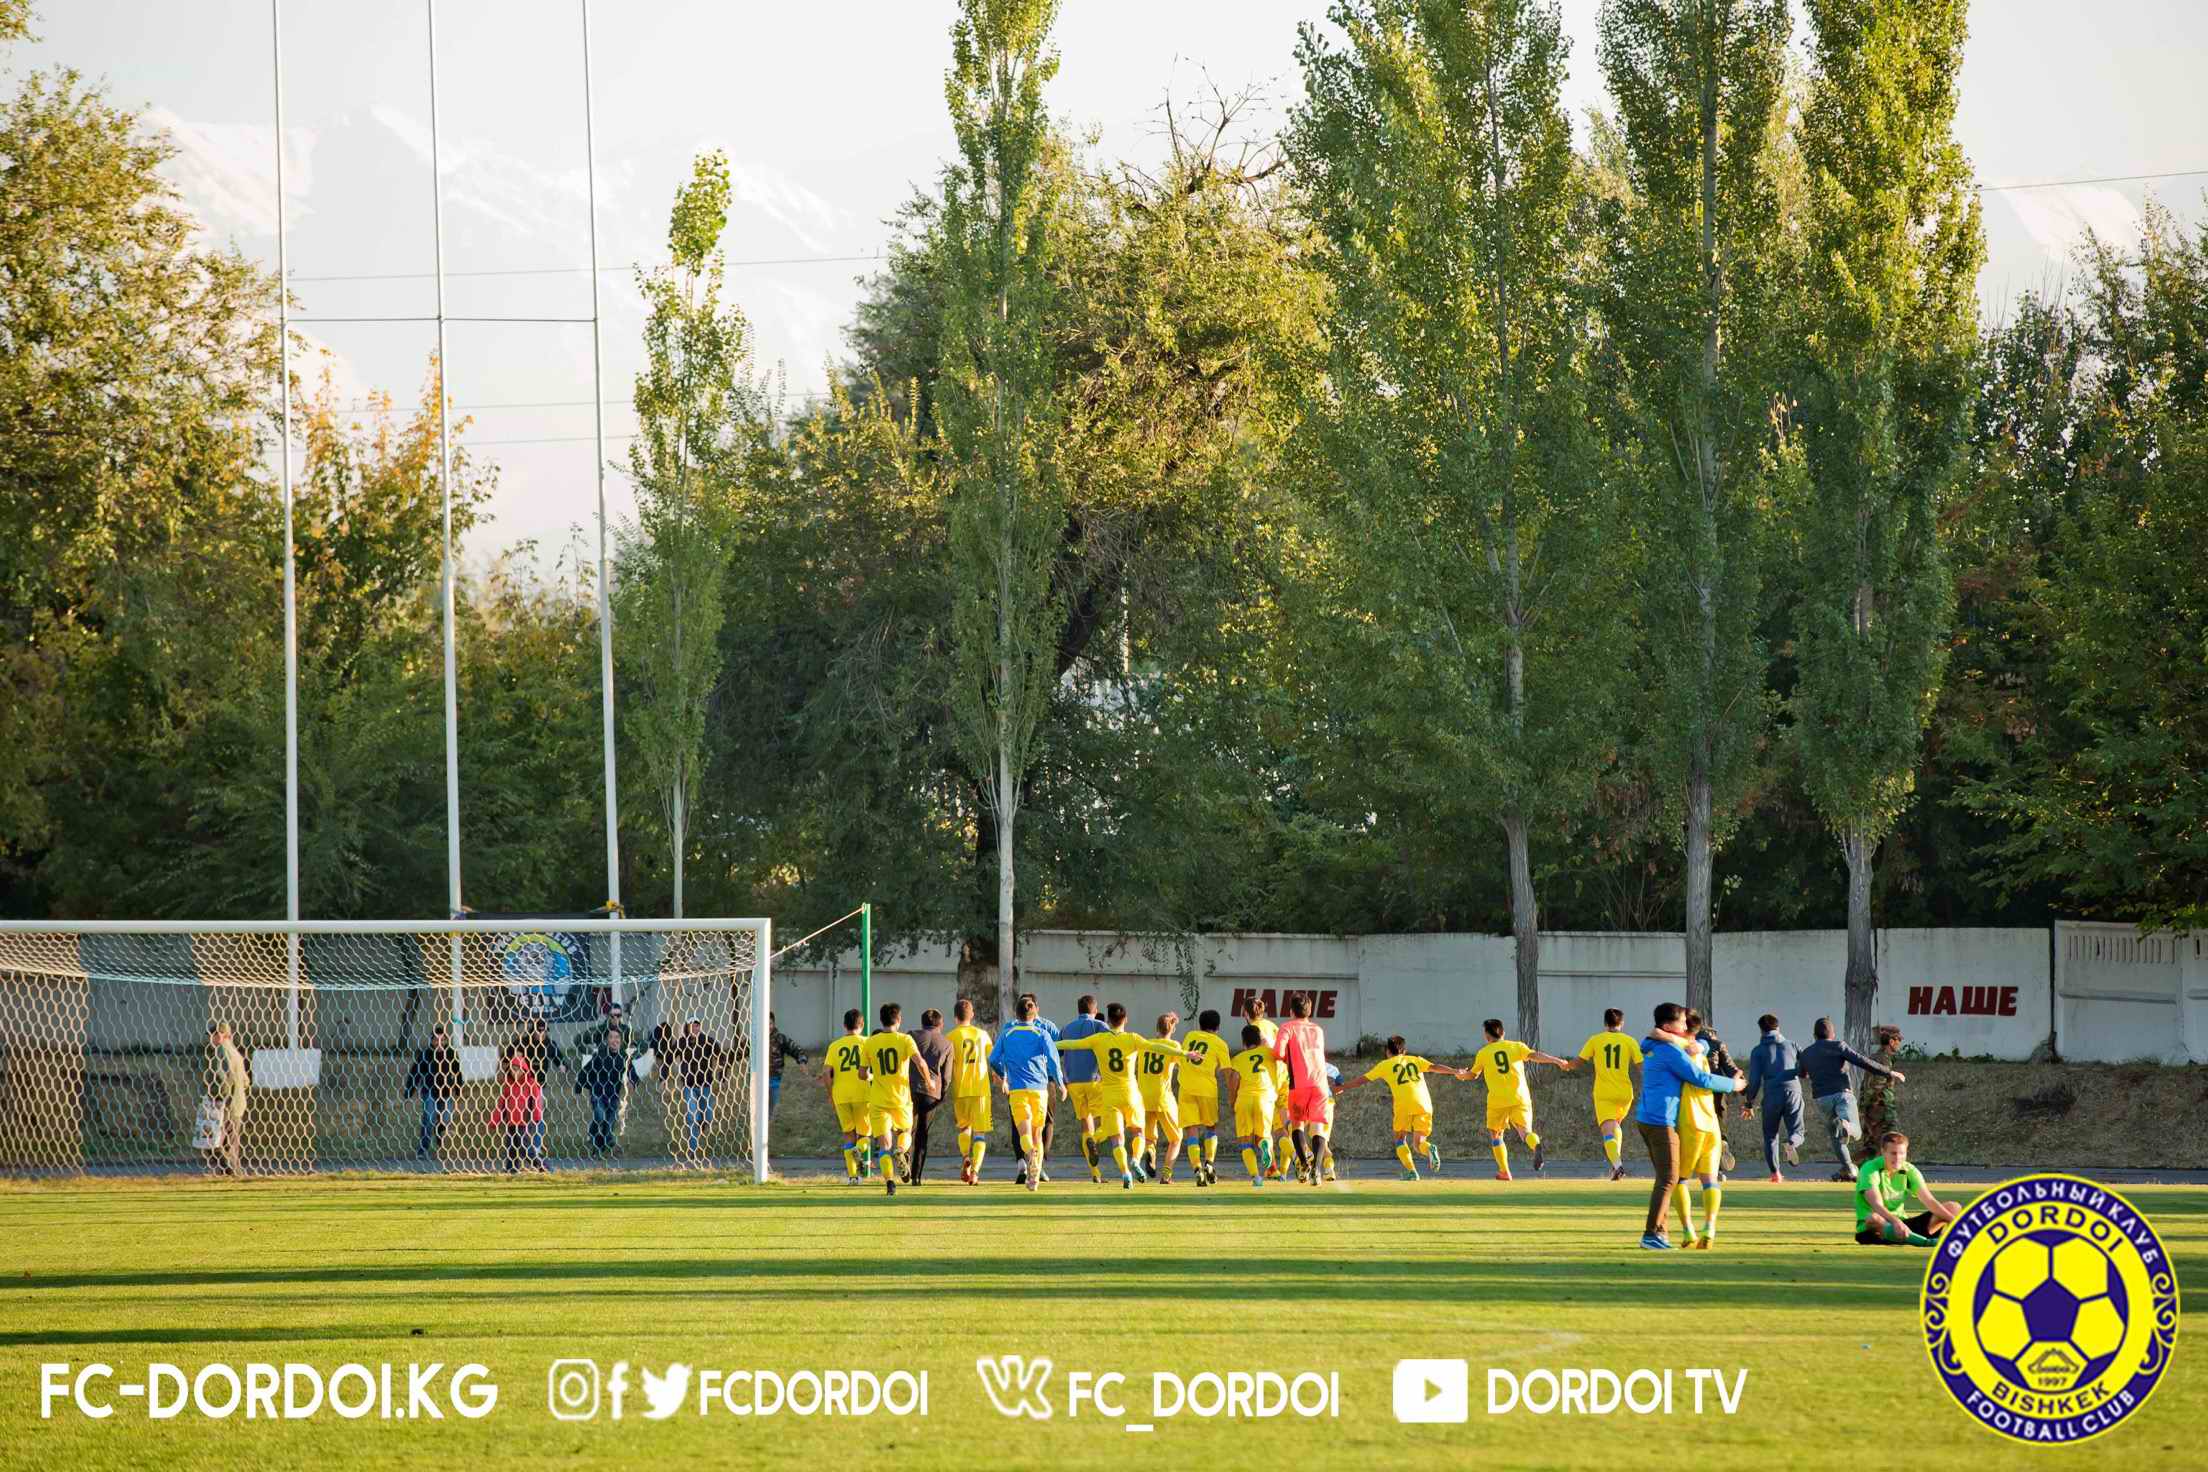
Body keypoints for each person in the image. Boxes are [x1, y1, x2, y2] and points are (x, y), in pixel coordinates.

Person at [1633, 1003, 1744, 1249]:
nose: (1684, 1026)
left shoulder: (1655, 1045)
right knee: (1671, 1179)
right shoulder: (1671, 1051)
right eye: (1680, 1022)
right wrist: (1733, 1085)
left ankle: (1664, 1232)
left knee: (1669, 1178)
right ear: (1668, 1026)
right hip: (1665, 1121)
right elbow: (1701, 1078)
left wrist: (1695, 1043)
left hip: (1648, 1117)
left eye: (1685, 1022)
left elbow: (1696, 1044)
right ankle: (1652, 1235)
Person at [1055, 1002, 1185, 1189]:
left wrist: (1048, 1044)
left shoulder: (1098, 1039)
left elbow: (1072, 1044)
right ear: (1125, 1019)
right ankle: (1136, 1160)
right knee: (1139, 1132)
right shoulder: (1132, 1038)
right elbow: (1157, 1047)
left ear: (1108, 1020)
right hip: (1131, 1094)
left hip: (1110, 1095)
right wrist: (1184, 1053)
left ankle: (1125, 1173)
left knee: (1117, 1139)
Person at [1334, 1036, 1467, 1180]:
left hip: (1404, 1105)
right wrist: (1455, 1071)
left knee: (1399, 1139)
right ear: (1404, 1050)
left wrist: (1342, 1087)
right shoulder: (1415, 1060)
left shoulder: (1384, 1065)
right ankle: (1429, 1148)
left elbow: (1361, 1080)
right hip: (1424, 1104)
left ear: (1387, 1051)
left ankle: (1412, 1172)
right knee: (1419, 1143)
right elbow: (1435, 1067)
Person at [1797, 1017, 1905, 1181]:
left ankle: (1848, 1169)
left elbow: (1802, 1073)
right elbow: (1862, 1061)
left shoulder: (1806, 1053)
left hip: (1821, 1099)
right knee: (1856, 1132)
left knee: (1837, 1137)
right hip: (1844, 1094)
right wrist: (1888, 1072)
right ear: (1832, 1034)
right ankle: (1847, 1126)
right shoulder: (1839, 1046)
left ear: (1814, 1035)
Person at [1670, 1010, 1739, 1249]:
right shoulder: (1701, 1050)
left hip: (1690, 1121)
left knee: (1679, 1180)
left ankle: (1688, 1230)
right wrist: (1702, 1044)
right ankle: (1709, 1227)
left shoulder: (1678, 1050)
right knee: (1710, 1179)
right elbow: (1706, 1046)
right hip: (1711, 1123)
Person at [987, 992, 1067, 1193]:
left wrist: (1003, 1075)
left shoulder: (1008, 1033)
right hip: (1040, 1090)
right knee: (1037, 1133)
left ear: (1016, 1013)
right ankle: (1034, 1178)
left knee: (1024, 1132)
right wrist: (1060, 1083)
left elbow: (993, 1059)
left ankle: (1030, 1155)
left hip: (1018, 1090)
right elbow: (1054, 1060)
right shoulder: (1042, 1033)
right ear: (1034, 1013)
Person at [1470, 1018, 1566, 1180]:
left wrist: (1459, 1074)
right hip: (1520, 1097)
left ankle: (1504, 1171)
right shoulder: (1516, 1046)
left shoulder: (1483, 1053)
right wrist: (1556, 1060)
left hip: (1498, 1101)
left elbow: (1473, 1074)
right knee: (1525, 1132)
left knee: (1496, 1135)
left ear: (1487, 1036)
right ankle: (1535, 1145)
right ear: (1503, 1032)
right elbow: (1535, 1055)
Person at [866, 1003, 937, 1197]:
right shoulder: (905, 1039)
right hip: (901, 1099)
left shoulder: (870, 1042)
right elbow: (920, 1062)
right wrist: (929, 1081)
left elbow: (862, 1073)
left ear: (881, 1020)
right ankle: (901, 1150)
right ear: (898, 1020)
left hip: (879, 1100)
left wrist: (871, 1076)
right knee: (905, 1131)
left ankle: (890, 1183)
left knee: (884, 1147)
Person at [1565, 1008, 1644, 1181]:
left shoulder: (1596, 1040)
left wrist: (1566, 1065)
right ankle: (1616, 1165)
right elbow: (1641, 1066)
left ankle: (1618, 1165)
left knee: (1608, 1132)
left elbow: (1579, 1061)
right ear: (1622, 1023)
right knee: (1616, 1126)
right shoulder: (1629, 1041)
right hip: (1624, 1092)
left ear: (1605, 1023)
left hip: (1604, 1093)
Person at [1854, 1131, 1959, 1246]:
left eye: (1901, 1153)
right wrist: (1895, 1222)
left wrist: (1955, 1222)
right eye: (1893, 1153)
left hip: (1903, 1226)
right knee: (1873, 1218)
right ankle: (1926, 1242)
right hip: (1877, 1229)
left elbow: (1929, 1200)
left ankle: (1917, 1238)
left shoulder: (1909, 1170)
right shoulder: (1870, 1168)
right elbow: (1876, 1204)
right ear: (1883, 1152)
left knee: (1953, 1207)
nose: (1898, 1158)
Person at [1270, 993, 1331, 1185]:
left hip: (1299, 1084)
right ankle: (1317, 1171)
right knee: (1318, 1127)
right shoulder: (1318, 1029)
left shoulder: (1287, 1027)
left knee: (1297, 1125)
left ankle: (1304, 1164)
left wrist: (1287, 1059)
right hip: (1321, 1084)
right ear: (1309, 1011)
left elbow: (1277, 1052)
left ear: (1291, 1011)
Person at [1741, 1013, 1804, 1182]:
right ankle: (1792, 1143)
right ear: (1778, 1027)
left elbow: (1755, 1080)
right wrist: (1800, 1072)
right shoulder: (1792, 1045)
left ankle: (1775, 1173)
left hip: (1771, 1094)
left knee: (1770, 1135)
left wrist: (1749, 1102)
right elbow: (1807, 1063)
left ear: (1761, 1030)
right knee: (1797, 1131)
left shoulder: (1758, 1051)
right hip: (1793, 1091)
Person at [1176, 1009, 1232, 1187]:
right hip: (1207, 1090)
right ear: (1218, 1027)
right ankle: (1209, 1162)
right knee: (1210, 1127)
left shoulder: (1190, 1036)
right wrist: (1233, 1092)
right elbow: (1226, 1070)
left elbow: (1182, 1058)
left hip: (1186, 1088)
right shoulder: (1220, 1043)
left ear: (1200, 1025)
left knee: (1191, 1130)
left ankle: (1197, 1169)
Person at [1057, 995, 1110, 1183]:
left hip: (1073, 1083)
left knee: (1086, 1123)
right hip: (1094, 1080)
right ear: (1095, 1010)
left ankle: (1095, 1173)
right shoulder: (1099, 1026)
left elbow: (1058, 1052)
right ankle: (1096, 1140)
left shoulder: (1066, 1028)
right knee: (1109, 1121)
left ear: (1078, 1010)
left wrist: (1062, 1078)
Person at [942, 999, 995, 1185]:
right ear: (972, 1015)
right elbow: (993, 1058)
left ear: (955, 1017)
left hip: (960, 1090)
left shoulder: (950, 1037)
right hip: (980, 1090)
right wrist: (998, 1077)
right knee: (980, 1133)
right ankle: (975, 1171)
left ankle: (965, 1156)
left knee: (964, 1128)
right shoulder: (982, 1035)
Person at [821, 1009, 874, 1183]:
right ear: (862, 1025)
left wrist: (830, 1094)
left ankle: (852, 1176)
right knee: (864, 1135)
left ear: (844, 1025)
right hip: (863, 1094)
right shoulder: (867, 1042)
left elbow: (826, 1072)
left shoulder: (834, 1046)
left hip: (841, 1095)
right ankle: (860, 1149)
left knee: (848, 1135)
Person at [1224, 1024, 1280, 1187]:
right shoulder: (1269, 1053)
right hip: (1265, 1099)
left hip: (1244, 1099)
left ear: (1243, 1042)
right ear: (1260, 1040)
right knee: (1263, 1136)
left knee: (1245, 1141)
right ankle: (1264, 1146)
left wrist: (1232, 1101)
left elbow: (1234, 1081)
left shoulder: (1238, 1059)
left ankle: (1256, 1177)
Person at [1243, 996, 1292, 1179]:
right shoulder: (1272, 1026)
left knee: (1263, 1130)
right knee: (1283, 1127)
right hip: (1283, 1076)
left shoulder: (1252, 1030)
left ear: (1245, 1013)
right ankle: (1290, 1165)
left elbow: (1264, 1047)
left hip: (1266, 1081)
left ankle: (1272, 1168)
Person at [1135, 1012, 1185, 1184]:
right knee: (1176, 1138)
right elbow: (1183, 1064)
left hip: (1143, 1098)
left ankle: (1150, 1152)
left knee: (1149, 1138)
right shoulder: (1173, 1045)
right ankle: (1166, 1175)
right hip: (1163, 1098)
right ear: (1173, 1028)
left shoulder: (1145, 1045)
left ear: (1156, 1027)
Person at [575, 1025, 640, 1158]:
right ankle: (603, 1140)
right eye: (611, 1037)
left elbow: (632, 1072)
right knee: (600, 1116)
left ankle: (598, 1146)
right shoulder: (600, 1055)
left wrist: (632, 1082)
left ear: (621, 1040)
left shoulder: (624, 1057)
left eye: (617, 1037)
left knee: (608, 1124)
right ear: (607, 1040)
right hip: (598, 1094)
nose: (614, 1040)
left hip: (613, 1096)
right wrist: (578, 1087)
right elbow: (585, 1071)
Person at [666, 1018, 725, 1159]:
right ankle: (692, 1150)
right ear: (687, 1027)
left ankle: (702, 1125)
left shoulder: (708, 1041)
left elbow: (722, 1057)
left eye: (697, 1025)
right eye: (692, 1026)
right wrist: (663, 1078)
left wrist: (722, 1077)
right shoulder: (681, 1042)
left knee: (707, 1116)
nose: (695, 1028)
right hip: (689, 1086)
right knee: (692, 1117)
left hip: (706, 1085)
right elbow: (668, 1059)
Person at [907, 1008, 953, 1185]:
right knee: (922, 1133)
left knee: (907, 1129)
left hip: (909, 1087)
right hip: (931, 1091)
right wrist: (942, 1094)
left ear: (922, 1023)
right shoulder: (947, 1043)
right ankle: (916, 1176)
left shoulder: (911, 1036)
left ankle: (904, 1160)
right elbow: (947, 1076)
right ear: (941, 1024)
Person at [404, 1022, 463, 1161]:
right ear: (432, 1041)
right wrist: (409, 1091)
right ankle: (422, 1149)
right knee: (429, 1118)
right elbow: (415, 1072)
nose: (439, 1043)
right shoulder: (426, 1054)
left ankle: (440, 1143)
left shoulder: (451, 1053)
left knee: (445, 1119)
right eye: (436, 1040)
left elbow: (457, 1072)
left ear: (446, 1040)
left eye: (443, 1040)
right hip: (429, 1090)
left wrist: (459, 1090)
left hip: (446, 1091)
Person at [514, 1018, 567, 1168]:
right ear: (533, 1031)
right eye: (538, 1031)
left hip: (539, 1086)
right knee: (522, 1117)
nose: (541, 1034)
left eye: (543, 1031)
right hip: (523, 1086)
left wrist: (563, 1066)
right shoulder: (524, 1042)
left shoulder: (550, 1044)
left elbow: (559, 1058)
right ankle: (523, 1148)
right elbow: (512, 1054)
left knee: (538, 1117)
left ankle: (536, 1148)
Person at [489, 1051, 545, 1174]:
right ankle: (511, 1170)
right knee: (511, 1147)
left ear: (523, 1069)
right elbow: (501, 1104)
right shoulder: (508, 1085)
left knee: (525, 1148)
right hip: (511, 1122)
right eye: (512, 1070)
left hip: (525, 1121)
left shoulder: (531, 1083)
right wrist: (494, 1120)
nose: (514, 1072)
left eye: (517, 1069)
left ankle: (542, 1166)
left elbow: (536, 1101)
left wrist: (537, 1116)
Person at [206, 1022, 249, 1177]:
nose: (211, 1038)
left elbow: (220, 1076)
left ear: (223, 1035)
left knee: (211, 1142)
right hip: (237, 1103)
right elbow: (246, 1081)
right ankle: (234, 1173)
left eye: (214, 1035)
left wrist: (217, 1097)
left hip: (225, 1103)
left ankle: (229, 1172)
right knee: (231, 1144)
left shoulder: (220, 1050)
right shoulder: (236, 1052)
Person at [764, 1011, 806, 1120]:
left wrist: (802, 1061)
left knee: (770, 1109)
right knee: (758, 1108)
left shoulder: (780, 1038)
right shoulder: (755, 1039)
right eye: (765, 1023)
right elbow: (738, 1052)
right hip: (758, 1079)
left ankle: (767, 1121)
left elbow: (796, 1049)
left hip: (773, 1079)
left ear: (773, 1024)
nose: (768, 1027)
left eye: (770, 1023)